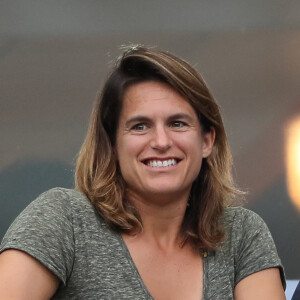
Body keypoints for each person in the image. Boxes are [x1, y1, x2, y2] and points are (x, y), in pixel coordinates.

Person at [0, 46, 286, 299]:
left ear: (207, 141)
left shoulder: (241, 234)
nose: (161, 142)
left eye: (177, 123)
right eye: (140, 126)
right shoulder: (65, 220)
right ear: (112, 144)